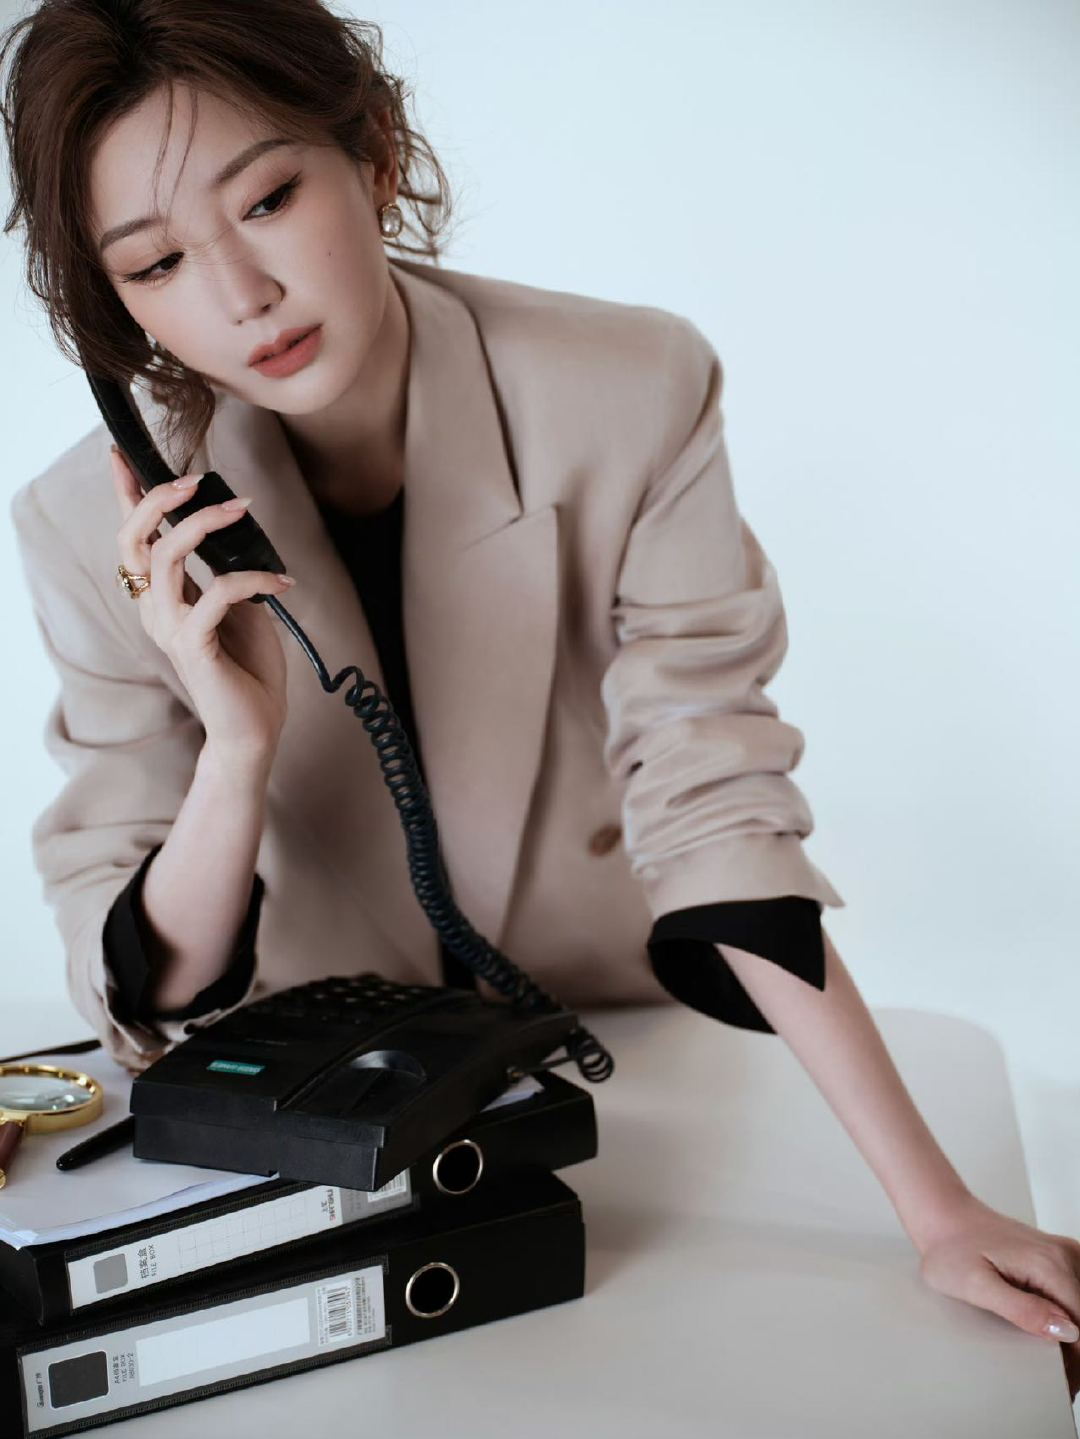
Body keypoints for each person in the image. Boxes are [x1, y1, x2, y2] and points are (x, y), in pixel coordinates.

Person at [3, 0, 1079, 1392]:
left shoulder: (630, 389)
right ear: (115, 316)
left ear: (374, 152)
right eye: (156, 265)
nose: (240, 296)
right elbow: (142, 974)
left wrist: (936, 1213)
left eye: (267, 199)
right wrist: (237, 744)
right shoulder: (86, 526)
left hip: (629, 1059)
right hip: (332, 1124)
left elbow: (714, 797)